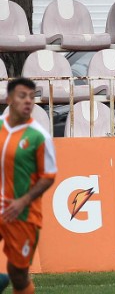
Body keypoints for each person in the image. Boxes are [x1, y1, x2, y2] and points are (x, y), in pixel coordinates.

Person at [0, 78, 57, 294]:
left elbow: (48, 176)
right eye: (22, 96)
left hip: (23, 214)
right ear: (9, 99)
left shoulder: (39, 136)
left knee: (18, 274)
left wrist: (23, 200)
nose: (28, 102)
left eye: (32, 98)